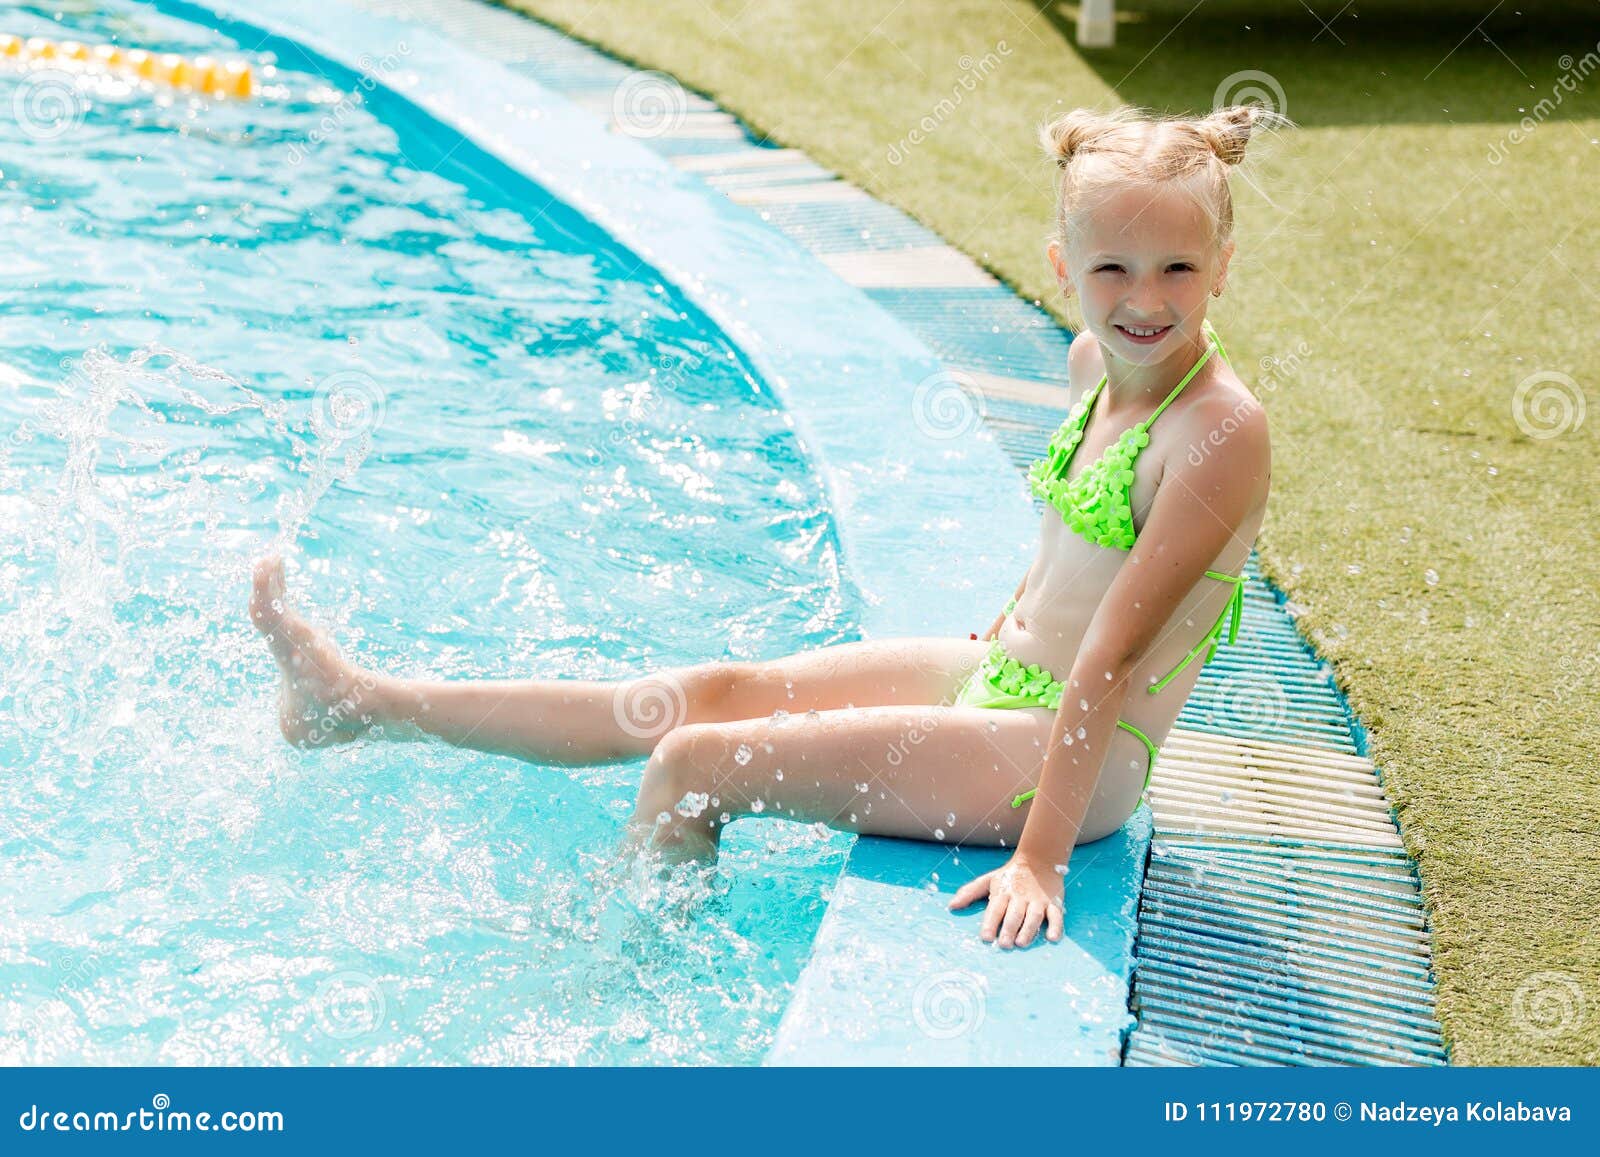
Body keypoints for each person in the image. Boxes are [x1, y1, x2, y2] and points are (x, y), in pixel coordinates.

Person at [249, 103, 1281, 951]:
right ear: (1063, 264)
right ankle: (363, 700)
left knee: (692, 763)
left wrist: (1042, 855)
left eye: (1176, 271)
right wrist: (1002, 621)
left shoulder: (1218, 432)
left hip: (1073, 754)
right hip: (1002, 680)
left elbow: (1112, 652)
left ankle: (618, 985)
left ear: (1221, 266)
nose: (1143, 300)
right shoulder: (1091, 364)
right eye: (1113, 270)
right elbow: (1071, 548)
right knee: (703, 696)